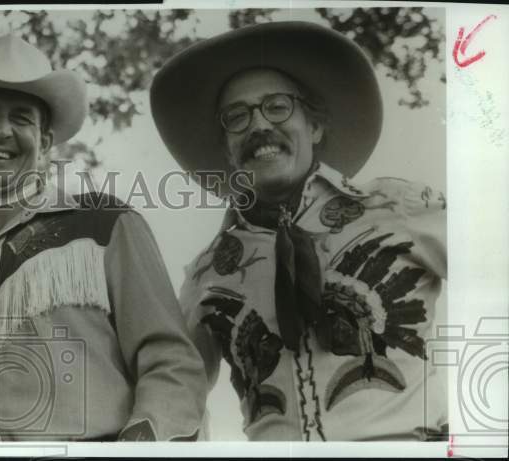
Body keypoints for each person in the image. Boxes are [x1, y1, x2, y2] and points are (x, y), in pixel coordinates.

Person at [150, 21, 447, 441]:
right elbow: (174, 388)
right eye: (237, 117)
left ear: (315, 127)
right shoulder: (208, 274)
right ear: (229, 153)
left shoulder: (397, 208)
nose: (258, 126)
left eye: (277, 107)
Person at [0, 34, 206, 441]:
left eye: (21, 118)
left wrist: (141, 441)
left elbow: (173, 362)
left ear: (45, 143)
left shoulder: (105, 223)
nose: (1, 131)